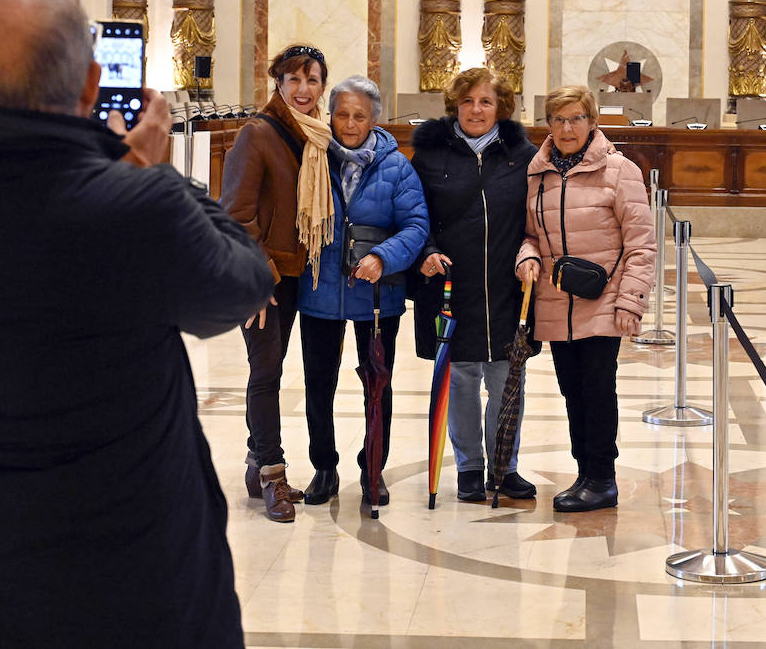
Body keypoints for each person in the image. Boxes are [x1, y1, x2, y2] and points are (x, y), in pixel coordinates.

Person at [0, 0, 272, 647]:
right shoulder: (136, 208)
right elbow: (241, 284)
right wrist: (155, 170)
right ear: (89, 82)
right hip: (130, 598)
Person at [515, 85, 654, 512]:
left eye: (575, 118)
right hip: (556, 301)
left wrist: (630, 301)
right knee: (571, 391)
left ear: (592, 121)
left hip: (602, 300)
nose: (567, 127)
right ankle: (584, 473)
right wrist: (527, 258)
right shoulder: (537, 173)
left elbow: (642, 244)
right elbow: (529, 235)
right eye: (558, 119)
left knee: (597, 389)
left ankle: (603, 478)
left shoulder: (619, 170)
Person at [297, 76, 428, 506]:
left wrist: (384, 257)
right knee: (319, 382)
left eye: (359, 115)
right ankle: (323, 466)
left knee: (378, 383)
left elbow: (416, 226)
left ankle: (373, 467)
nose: (349, 124)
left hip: (377, 296)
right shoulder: (313, 157)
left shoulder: (396, 166)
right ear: (329, 115)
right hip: (319, 290)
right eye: (341, 114)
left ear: (374, 118)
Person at [412, 67, 539, 503]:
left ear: (501, 107)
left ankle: (505, 466)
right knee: (462, 380)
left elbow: (536, 221)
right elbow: (414, 213)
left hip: (507, 287)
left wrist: (531, 253)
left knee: (507, 380)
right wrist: (425, 249)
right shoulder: (431, 155)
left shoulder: (523, 155)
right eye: (467, 101)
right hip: (451, 287)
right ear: (455, 106)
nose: (476, 110)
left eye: (485, 101)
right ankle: (469, 468)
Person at [220, 43, 332, 522]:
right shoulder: (258, 134)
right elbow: (234, 215)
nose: (303, 90)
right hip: (265, 277)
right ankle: (271, 473)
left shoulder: (318, 137)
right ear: (278, 85)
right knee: (267, 372)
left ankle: (255, 460)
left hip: (304, 274)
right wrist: (257, 273)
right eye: (294, 81)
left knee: (279, 371)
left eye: (312, 80)